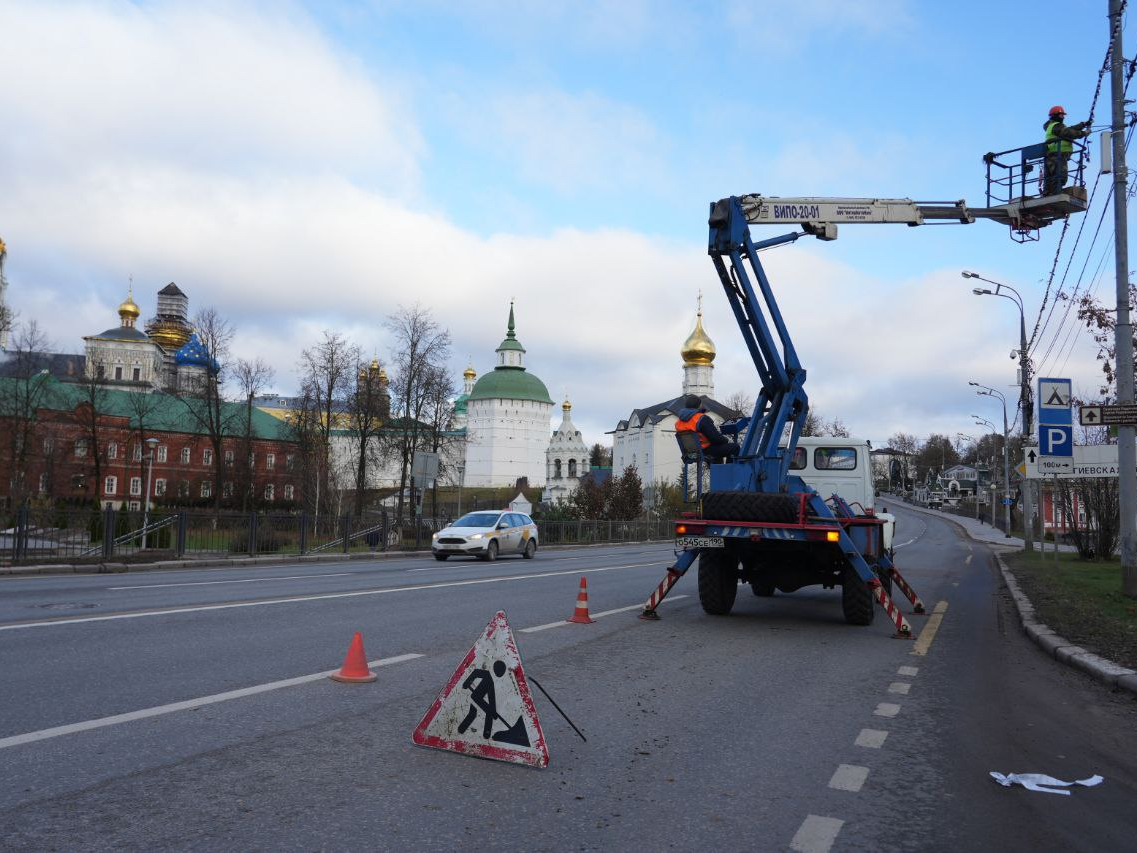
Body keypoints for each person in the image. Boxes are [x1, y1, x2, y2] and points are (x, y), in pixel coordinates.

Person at [675, 394, 739, 461]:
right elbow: (715, 438)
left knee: (717, 450)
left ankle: (717, 470)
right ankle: (728, 471)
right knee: (734, 447)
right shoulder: (701, 418)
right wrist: (725, 440)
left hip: (690, 454)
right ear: (699, 405)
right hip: (705, 451)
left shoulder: (678, 422)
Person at [1043, 105, 1091, 195]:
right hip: (1057, 155)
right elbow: (1068, 133)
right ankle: (1055, 192)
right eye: (1061, 115)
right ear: (1055, 115)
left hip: (1052, 155)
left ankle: (1048, 193)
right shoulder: (1056, 126)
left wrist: (1082, 125)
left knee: (1050, 176)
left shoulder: (1053, 126)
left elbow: (1069, 129)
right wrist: (1084, 133)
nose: (1063, 117)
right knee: (1060, 175)